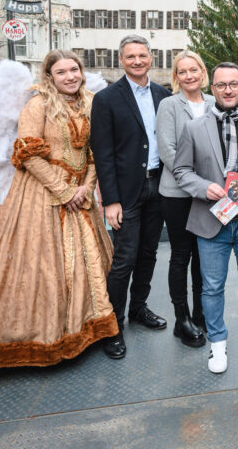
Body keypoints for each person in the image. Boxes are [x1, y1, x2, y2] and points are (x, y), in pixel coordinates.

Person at [0, 50, 118, 367]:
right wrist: (62, 190)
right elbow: (28, 155)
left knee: (86, 264)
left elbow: (94, 152)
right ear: (49, 77)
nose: (70, 76)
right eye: (61, 72)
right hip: (41, 196)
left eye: (74, 70)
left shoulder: (89, 103)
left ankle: (88, 328)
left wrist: (85, 186)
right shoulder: (37, 105)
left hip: (80, 195)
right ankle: (41, 340)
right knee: (41, 266)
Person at [173, 63, 238, 373]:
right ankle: (217, 345)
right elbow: (181, 171)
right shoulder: (193, 127)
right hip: (210, 219)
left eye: (233, 84)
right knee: (212, 287)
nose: (228, 90)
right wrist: (206, 188)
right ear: (211, 88)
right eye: (221, 85)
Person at [90, 35, 172, 360]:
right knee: (124, 258)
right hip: (125, 194)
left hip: (159, 187)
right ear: (120, 60)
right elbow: (103, 153)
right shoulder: (107, 99)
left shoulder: (163, 95)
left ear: (151, 58)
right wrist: (110, 200)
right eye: (130, 56)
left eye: (142, 55)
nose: (137, 61)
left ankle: (139, 307)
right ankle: (114, 326)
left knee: (150, 253)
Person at [156, 50, 214, 349]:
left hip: (209, 195)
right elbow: (167, 150)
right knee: (181, 255)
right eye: (183, 71)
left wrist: (208, 186)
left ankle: (201, 313)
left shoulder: (215, 103)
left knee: (203, 255)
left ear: (203, 72)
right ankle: (182, 319)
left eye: (194, 69)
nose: (189, 75)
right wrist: (194, 183)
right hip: (178, 193)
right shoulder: (169, 105)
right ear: (176, 77)